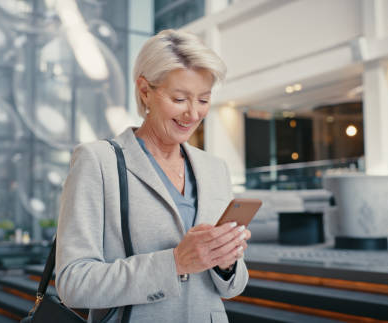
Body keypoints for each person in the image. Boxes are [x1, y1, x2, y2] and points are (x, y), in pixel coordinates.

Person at [55, 29, 251, 323]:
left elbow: (233, 287)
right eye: (180, 98)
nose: (193, 114)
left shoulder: (215, 169)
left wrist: (226, 263)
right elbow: (73, 283)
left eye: (203, 100)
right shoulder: (98, 161)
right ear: (145, 90)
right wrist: (173, 263)